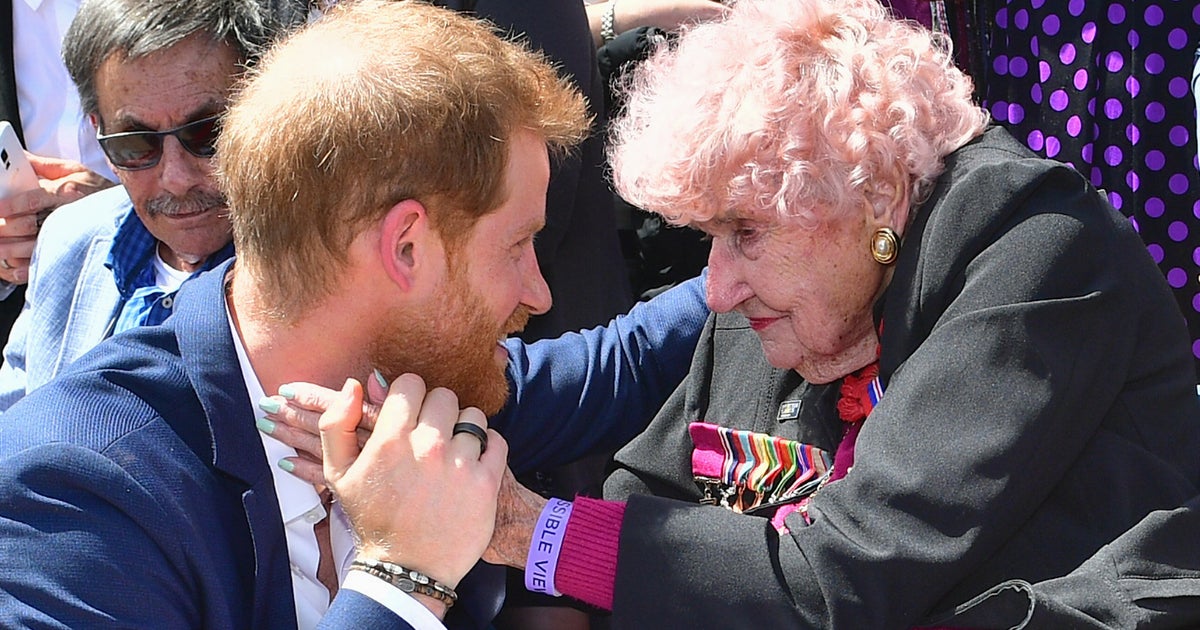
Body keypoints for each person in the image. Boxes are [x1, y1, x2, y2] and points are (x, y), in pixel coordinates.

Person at [308, 0, 1200, 626]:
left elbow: (845, 578)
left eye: (742, 232)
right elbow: (643, 492)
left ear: (868, 193)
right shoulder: (792, 281)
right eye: (708, 235)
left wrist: (512, 525)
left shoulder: (1031, 244)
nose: (717, 285)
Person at [0, 0, 636, 627]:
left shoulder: (411, 381)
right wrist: (402, 577)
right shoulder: (75, 487)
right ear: (406, 247)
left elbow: (631, 361)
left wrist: (736, 247)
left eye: (203, 132)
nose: (539, 293)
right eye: (517, 246)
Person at [0, 0, 275, 409]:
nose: (176, 178)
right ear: (98, 131)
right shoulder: (66, 242)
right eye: (136, 143)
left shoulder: (321, 270)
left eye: (206, 135)